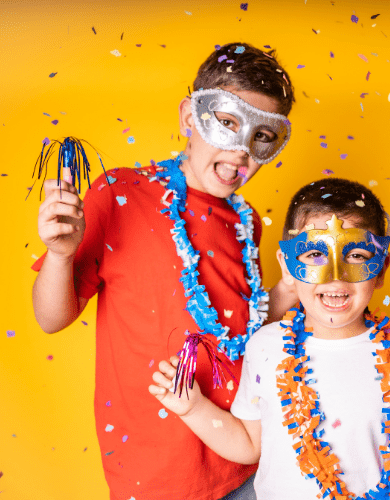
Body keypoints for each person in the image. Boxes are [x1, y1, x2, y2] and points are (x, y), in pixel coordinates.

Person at [32, 42, 298, 500]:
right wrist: (59, 255)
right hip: (156, 475)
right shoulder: (120, 194)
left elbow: (241, 324)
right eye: (227, 123)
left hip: (246, 457)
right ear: (189, 117)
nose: (240, 152)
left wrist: (289, 291)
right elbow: (51, 318)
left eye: (260, 138)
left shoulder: (246, 219)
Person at [149, 178, 390, 499]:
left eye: (356, 256)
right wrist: (193, 408)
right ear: (289, 265)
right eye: (314, 254)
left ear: (381, 268)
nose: (335, 278)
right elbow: (247, 445)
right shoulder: (266, 346)